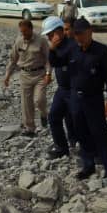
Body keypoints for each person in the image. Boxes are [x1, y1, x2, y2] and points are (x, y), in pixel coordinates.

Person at [49, 17, 107, 185]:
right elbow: (57, 62)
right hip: (76, 98)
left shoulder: (102, 51)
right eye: (76, 34)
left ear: (90, 32)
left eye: (81, 34)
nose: (79, 37)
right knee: (81, 133)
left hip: (93, 99)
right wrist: (52, 49)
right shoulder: (73, 50)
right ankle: (88, 165)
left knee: (100, 134)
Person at [4, 19, 51, 137]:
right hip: (25, 75)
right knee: (26, 103)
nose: (23, 34)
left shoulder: (41, 41)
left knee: (39, 100)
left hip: (39, 74)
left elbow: (48, 59)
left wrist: (48, 74)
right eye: (21, 32)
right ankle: (30, 128)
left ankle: (44, 114)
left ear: (31, 29)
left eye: (25, 31)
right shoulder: (19, 41)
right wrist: (7, 76)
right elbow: (13, 60)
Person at [42, 17, 78, 159]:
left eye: (50, 34)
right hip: (62, 89)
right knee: (53, 117)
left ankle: (91, 151)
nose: (49, 38)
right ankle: (61, 147)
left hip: (74, 89)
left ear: (59, 31)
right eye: (48, 35)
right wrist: (52, 50)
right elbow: (53, 63)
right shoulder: (55, 47)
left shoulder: (72, 46)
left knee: (79, 120)